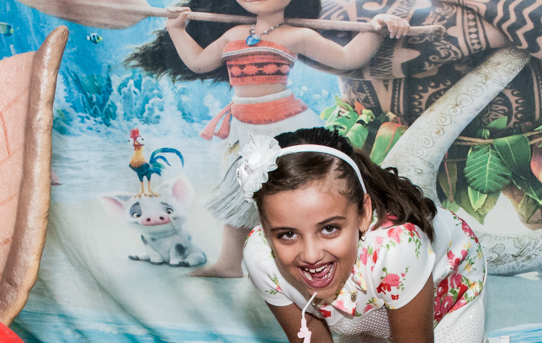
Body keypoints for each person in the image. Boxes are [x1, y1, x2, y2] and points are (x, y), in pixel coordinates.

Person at [243, 127, 496, 343]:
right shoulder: (262, 260)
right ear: (265, 230)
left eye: (330, 229)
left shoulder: (396, 248)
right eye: (287, 234)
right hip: (371, 297)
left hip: (445, 286)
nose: (310, 255)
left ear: (363, 213)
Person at [131, 0, 408, 277]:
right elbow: (199, 63)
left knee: (298, 194)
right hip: (247, 130)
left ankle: (314, 260)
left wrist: (378, 28)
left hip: (288, 126)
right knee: (241, 193)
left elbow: (348, 58)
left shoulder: (297, 35)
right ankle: (229, 264)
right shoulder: (234, 34)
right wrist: (176, 29)